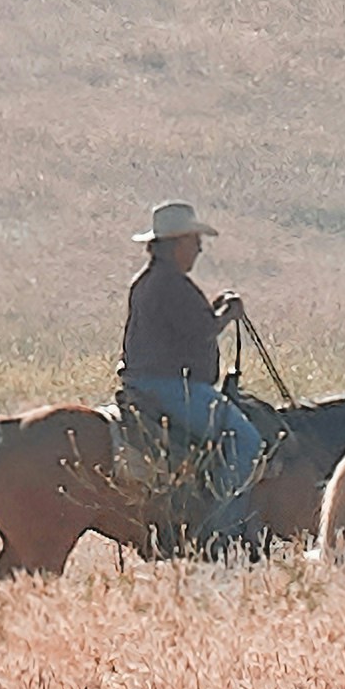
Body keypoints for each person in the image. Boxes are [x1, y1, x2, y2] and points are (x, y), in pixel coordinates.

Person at [118, 201, 261, 548]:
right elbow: (201, 331)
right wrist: (229, 313)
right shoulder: (171, 284)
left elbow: (187, 326)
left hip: (145, 382)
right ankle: (222, 528)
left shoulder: (151, 282)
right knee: (246, 441)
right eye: (194, 240)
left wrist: (216, 311)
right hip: (169, 387)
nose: (199, 248)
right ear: (178, 243)